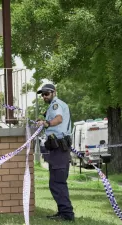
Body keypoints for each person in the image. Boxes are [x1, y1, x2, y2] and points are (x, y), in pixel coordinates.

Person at [36, 84, 75, 221]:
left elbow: (58, 119)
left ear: (54, 92)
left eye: (46, 93)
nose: (44, 96)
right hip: (56, 149)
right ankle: (62, 211)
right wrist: (43, 122)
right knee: (55, 182)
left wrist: (46, 123)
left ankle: (67, 214)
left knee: (58, 183)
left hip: (60, 148)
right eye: (42, 94)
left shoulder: (56, 104)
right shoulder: (53, 105)